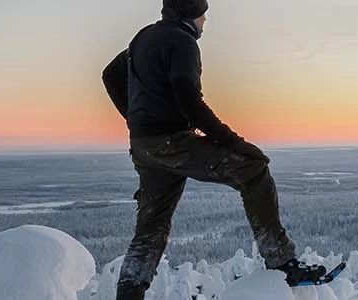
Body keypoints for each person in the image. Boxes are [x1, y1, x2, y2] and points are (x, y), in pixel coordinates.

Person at [101, 0, 335, 297]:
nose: (204, 23)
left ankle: (129, 292)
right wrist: (235, 142)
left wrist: (136, 119)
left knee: (151, 226)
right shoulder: (182, 42)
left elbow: (110, 75)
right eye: (203, 16)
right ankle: (282, 262)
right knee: (254, 170)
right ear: (191, 14)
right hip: (172, 142)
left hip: (145, 146)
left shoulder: (144, 36)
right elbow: (191, 102)